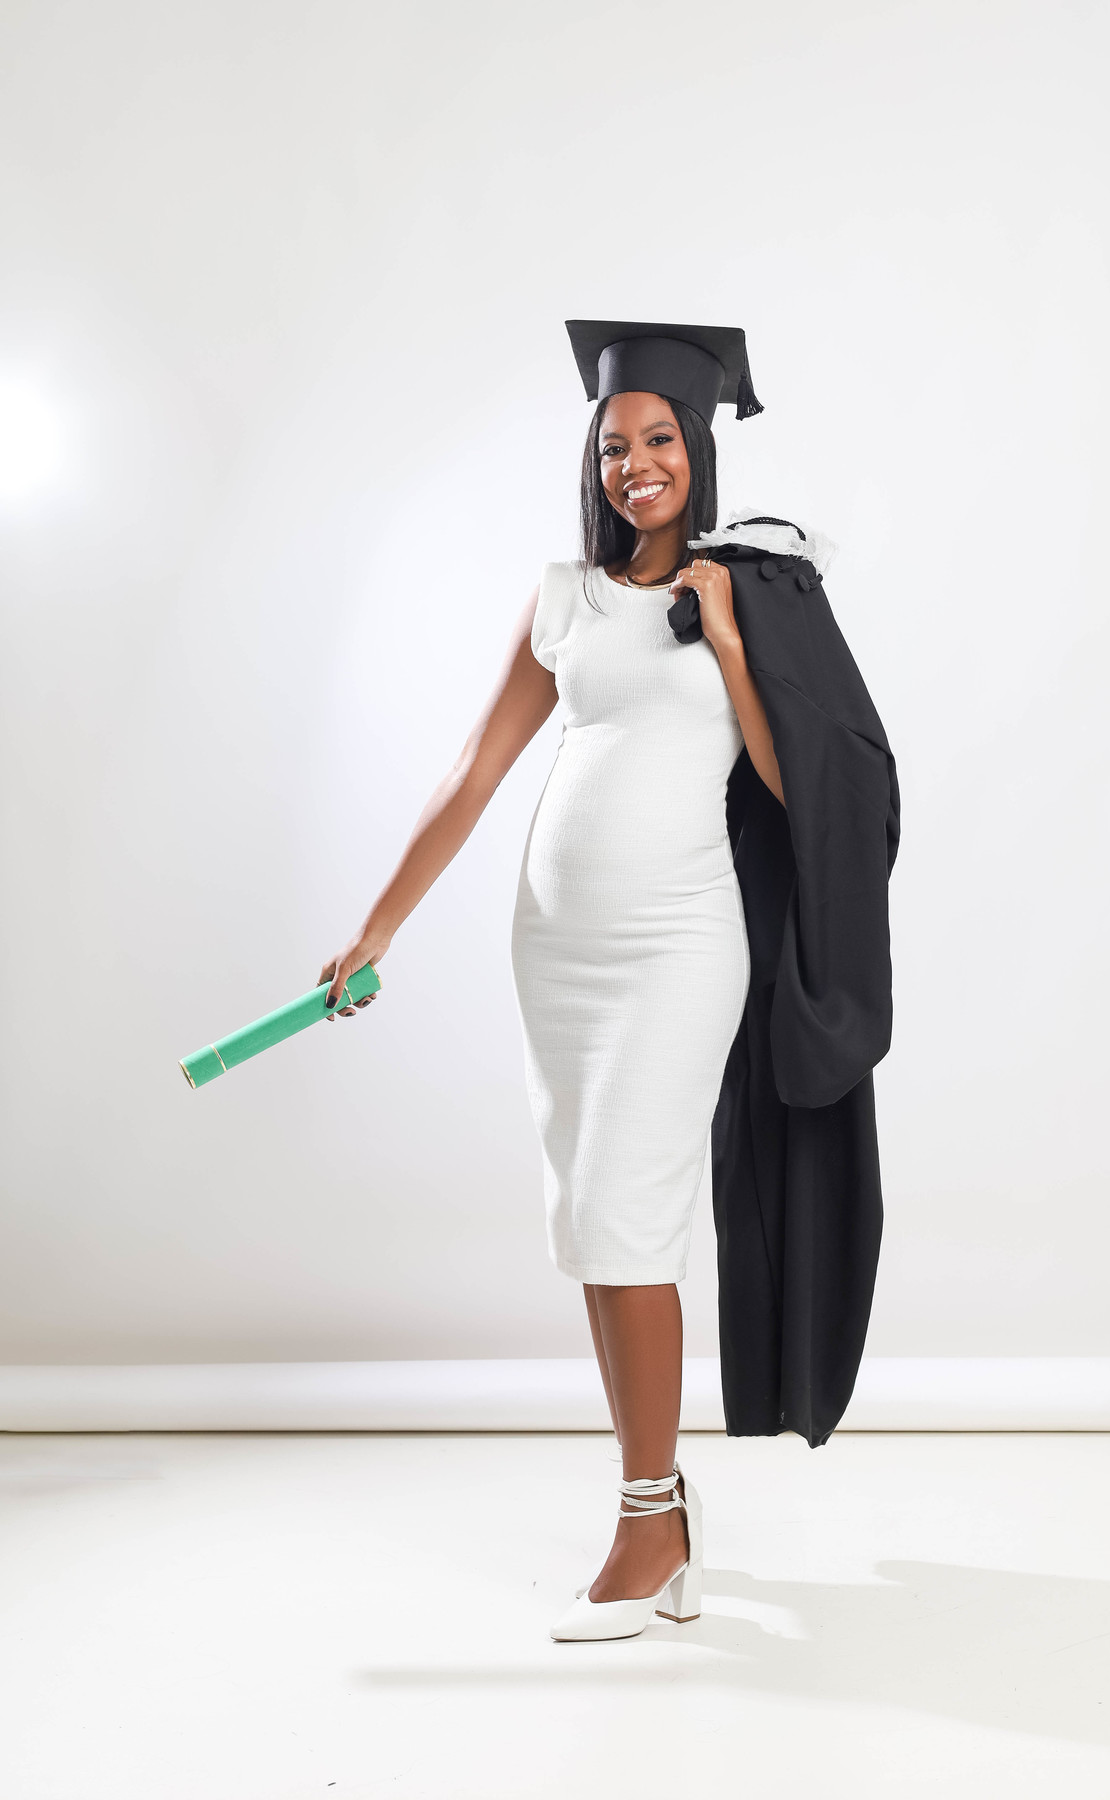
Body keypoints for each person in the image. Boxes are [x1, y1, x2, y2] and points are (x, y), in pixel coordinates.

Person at [319, 320, 783, 1643]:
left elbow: (797, 783)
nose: (639, 465)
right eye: (615, 445)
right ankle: (660, 1509)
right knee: (592, 1222)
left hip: (679, 947)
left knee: (627, 1219)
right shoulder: (564, 597)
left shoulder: (748, 592)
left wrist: (729, 643)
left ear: (698, 447)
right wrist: (378, 928)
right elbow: (475, 770)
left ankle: (649, 1525)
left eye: (660, 439)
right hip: (559, 955)